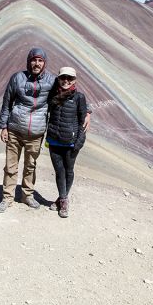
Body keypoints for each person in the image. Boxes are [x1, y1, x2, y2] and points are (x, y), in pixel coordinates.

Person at [0, 47, 56, 213]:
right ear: (29, 61)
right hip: (14, 130)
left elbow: (67, 94)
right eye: (34, 60)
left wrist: (86, 110)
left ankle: (27, 195)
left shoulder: (52, 81)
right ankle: (7, 197)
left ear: (44, 63)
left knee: (30, 166)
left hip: (36, 133)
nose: (36, 63)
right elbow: (7, 102)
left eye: (40, 60)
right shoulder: (17, 78)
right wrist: (3, 127)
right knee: (10, 166)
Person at [46, 66, 91, 218]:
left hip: (71, 142)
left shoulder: (79, 97)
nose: (66, 81)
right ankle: (62, 197)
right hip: (53, 140)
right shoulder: (52, 94)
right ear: (58, 78)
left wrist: (79, 142)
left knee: (69, 170)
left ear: (75, 80)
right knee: (59, 171)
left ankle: (63, 200)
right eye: (63, 77)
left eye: (70, 78)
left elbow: (82, 121)